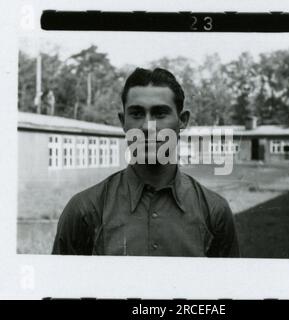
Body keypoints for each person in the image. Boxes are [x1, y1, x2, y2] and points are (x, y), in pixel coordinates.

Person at [52, 67, 240, 257]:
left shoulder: (214, 212)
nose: (147, 126)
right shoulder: (85, 210)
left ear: (182, 121)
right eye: (136, 114)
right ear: (122, 121)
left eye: (160, 114)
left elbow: (227, 285)